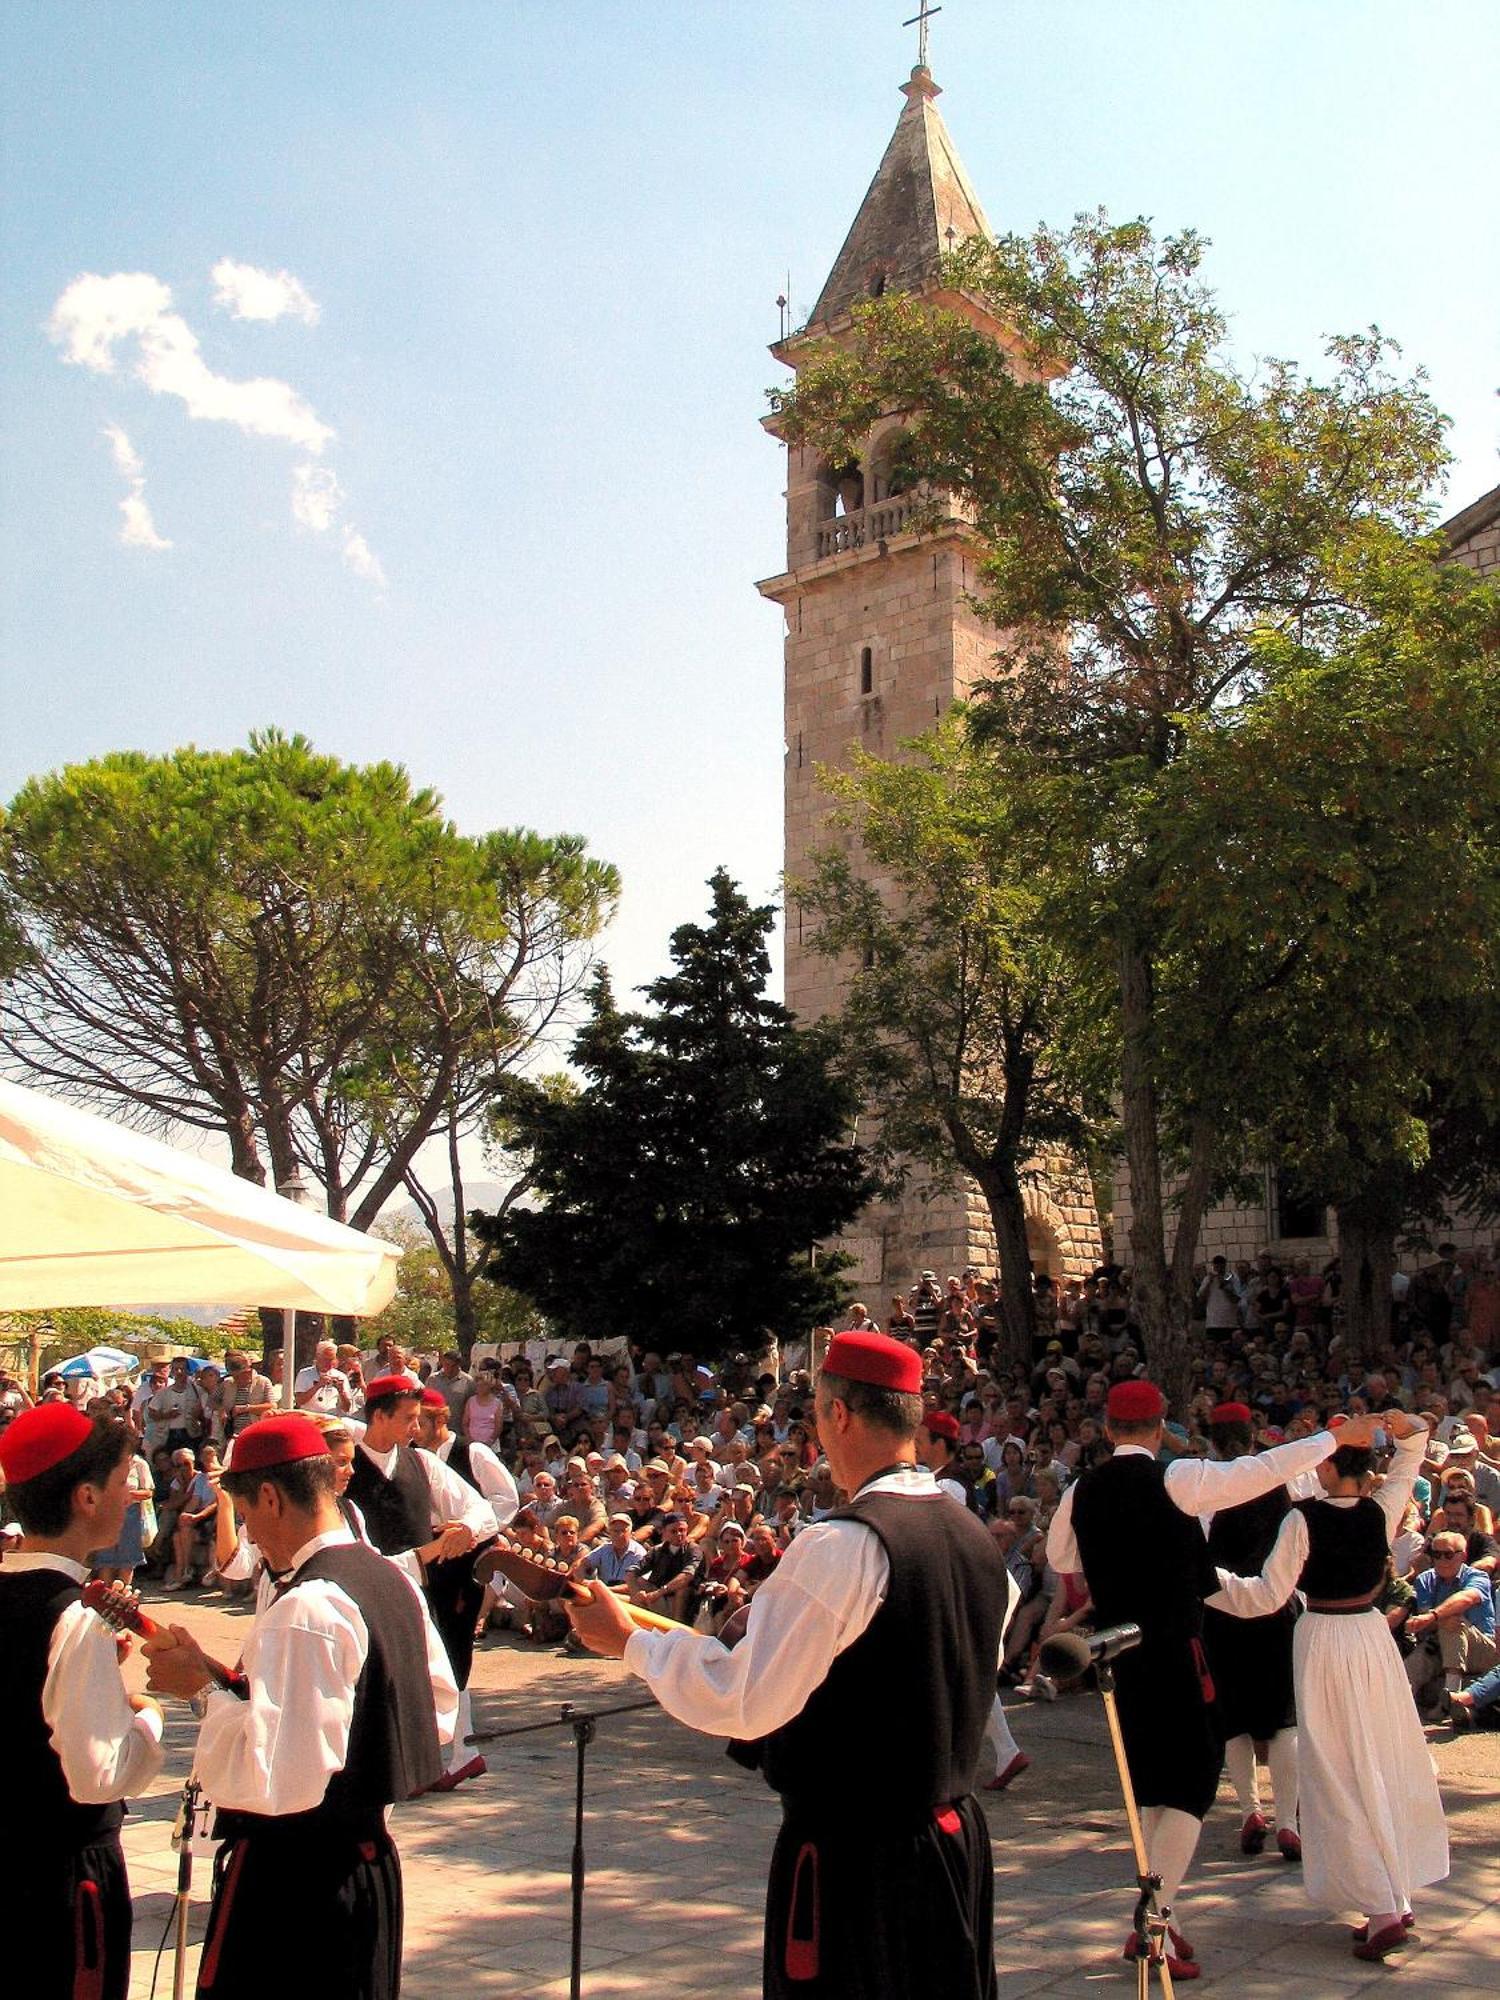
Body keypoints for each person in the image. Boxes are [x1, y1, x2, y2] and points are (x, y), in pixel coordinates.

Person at [568, 1328, 1011, 2000]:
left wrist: (630, 1642)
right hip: (953, 1844)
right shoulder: (976, 1539)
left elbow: (747, 1698)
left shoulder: (842, 1546)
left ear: (839, 1414)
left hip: (857, 1858)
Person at [1046, 1380, 1379, 1980]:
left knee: (1151, 1785)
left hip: (1117, 1655)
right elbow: (1262, 1469)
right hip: (1175, 1648)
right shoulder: (1178, 1478)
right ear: (1160, 1425)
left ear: (1106, 1427)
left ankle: (1161, 1915)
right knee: (1191, 1786)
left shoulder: (1081, 1489)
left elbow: (1062, 1559)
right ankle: (1155, 1916)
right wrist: (1336, 1436)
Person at [143, 1414, 456, 1999]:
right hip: (368, 1868)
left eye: (246, 1513)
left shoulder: (305, 1608)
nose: (249, 1536)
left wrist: (202, 1694)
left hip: (295, 1885)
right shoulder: (390, 1579)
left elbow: (274, 1784)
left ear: (268, 1496)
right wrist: (230, 1681)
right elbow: (433, 1705)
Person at [1207, 1411, 1448, 1960]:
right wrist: (1398, 1423)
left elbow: (1266, 1595)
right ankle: (1392, 1891)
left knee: (1340, 1770)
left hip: (1323, 1639)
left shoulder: (1303, 1520)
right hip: (1368, 1640)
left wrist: (1203, 1579)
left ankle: (1384, 1905)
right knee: (1378, 1759)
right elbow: (1413, 1450)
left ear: (1331, 1466)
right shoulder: (1379, 1510)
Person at [0, 1405, 165, 2000]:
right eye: (124, 1481)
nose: (134, 1495)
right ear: (87, 1498)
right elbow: (96, 1776)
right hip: (62, 1879)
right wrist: (146, 1714)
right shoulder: (76, 1618)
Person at [347, 1375, 495, 1789]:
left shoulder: (424, 1464)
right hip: (355, 1592)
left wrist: (465, 1527)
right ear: (379, 1417)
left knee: (419, 1679)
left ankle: (423, 1763)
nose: (417, 1428)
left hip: (412, 1593)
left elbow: (480, 1507)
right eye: (409, 1418)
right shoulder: (344, 1466)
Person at [1198, 1401, 1301, 1859]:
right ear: (1253, 1431)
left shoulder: (1205, 1485)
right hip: (1275, 1610)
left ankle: (1249, 1811)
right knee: (1281, 1721)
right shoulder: (1278, 1477)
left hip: (1222, 1613)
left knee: (1233, 1721)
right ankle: (1289, 1822)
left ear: (1214, 1441)